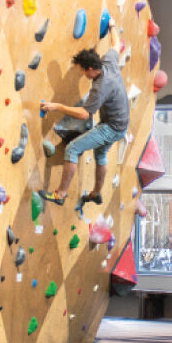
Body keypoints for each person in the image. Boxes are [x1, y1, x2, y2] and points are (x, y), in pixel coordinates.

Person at [39, 30, 129, 211]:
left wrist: (57, 106)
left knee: (73, 148)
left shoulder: (100, 87)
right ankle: (96, 193)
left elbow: (83, 114)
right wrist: (112, 26)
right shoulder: (109, 61)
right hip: (121, 124)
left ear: (90, 70)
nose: (82, 73)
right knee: (101, 155)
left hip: (111, 127)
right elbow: (116, 45)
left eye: (82, 70)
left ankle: (60, 194)